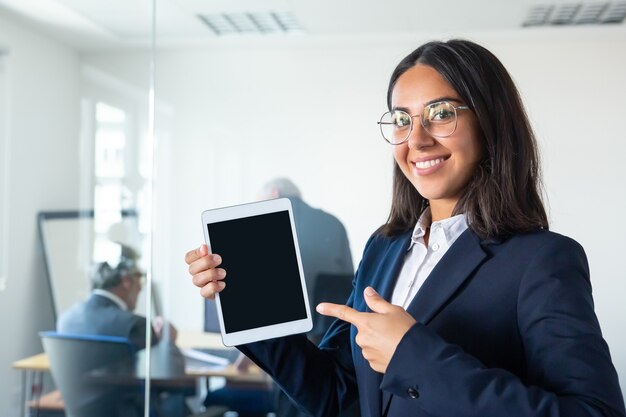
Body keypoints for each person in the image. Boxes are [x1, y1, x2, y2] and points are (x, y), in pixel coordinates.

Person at [185, 39, 626, 417]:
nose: (417, 139)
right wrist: (248, 310)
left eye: (441, 113)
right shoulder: (385, 248)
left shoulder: (542, 260)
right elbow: (342, 398)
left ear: (490, 122)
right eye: (402, 120)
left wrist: (414, 357)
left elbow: (594, 411)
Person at [203, 178, 357, 417]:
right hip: (335, 342)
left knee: (289, 402)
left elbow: (258, 301)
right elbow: (349, 289)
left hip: (289, 343)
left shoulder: (268, 223)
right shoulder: (334, 224)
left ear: (274, 193)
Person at [58, 244, 187, 416]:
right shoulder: (135, 325)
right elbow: (172, 373)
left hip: (81, 409)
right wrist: (167, 337)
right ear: (126, 280)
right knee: (177, 399)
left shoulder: (66, 318)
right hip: (127, 410)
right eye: (140, 277)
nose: (141, 287)